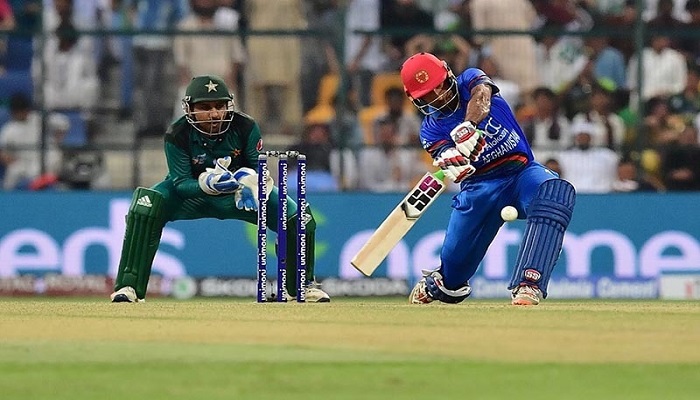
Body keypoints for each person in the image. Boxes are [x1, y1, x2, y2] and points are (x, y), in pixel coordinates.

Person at [110, 75, 330, 303]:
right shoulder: (177, 133)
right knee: (144, 206)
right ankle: (129, 287)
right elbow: (180, 183)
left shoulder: (245, 126)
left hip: (242, 196)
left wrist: (249, 180)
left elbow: (261, 170)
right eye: (205, 107)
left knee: (299, 217)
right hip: (192, 194)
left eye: (220, 106)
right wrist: (207, 184)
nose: (214, 114)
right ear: (190, 108)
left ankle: (301, 287)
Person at [399, 52, 576, 306]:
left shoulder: (470, 79)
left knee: (555, 193)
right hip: (479, 189)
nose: (439, 96)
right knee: (452, 282)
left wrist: (468, 126)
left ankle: (529, 284)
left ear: (449, 75)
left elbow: (482, 95)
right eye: (428, 95)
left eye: (439, 87)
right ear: (416, 100)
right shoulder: (430, 129)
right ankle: (438, 283)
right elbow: (443, 154)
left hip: (521, 173)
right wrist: (452, 161)